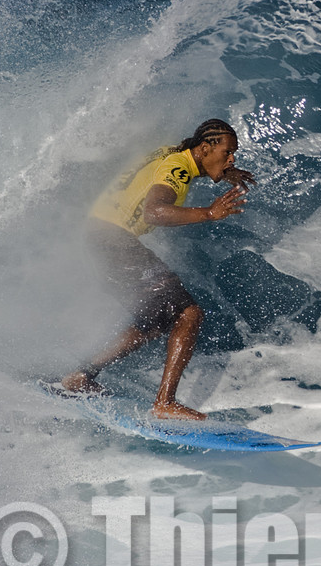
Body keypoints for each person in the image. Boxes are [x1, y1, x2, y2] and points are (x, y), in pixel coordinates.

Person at [58, 118, 255, 419]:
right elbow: (154, 211)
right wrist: (209, 212)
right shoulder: (177, 168)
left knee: (154, 320)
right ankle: (164, 403)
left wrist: (223, 170)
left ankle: (79, 377)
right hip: (113, 240)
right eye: (228, 152)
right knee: (188, 314)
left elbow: (183, 166)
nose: (232, 158)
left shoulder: (172, 154)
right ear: (204, 148)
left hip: (97, 237)